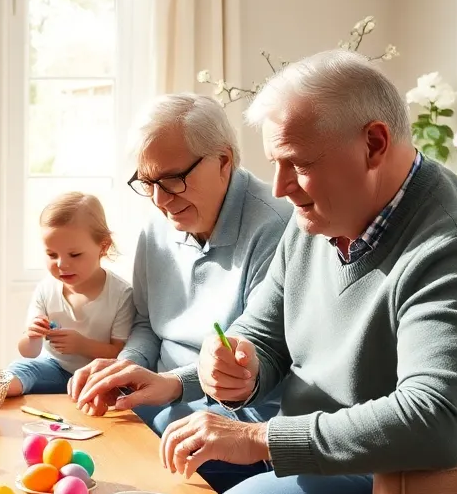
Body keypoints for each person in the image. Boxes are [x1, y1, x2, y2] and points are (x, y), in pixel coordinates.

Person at [77, 50, 457, 494]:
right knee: (146, 469)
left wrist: (258, 438)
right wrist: (240, 364)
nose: (279, 187)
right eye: (276, 164)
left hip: (421, 478)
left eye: (298, 164)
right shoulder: (318, 221)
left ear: (373, 145)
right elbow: (261, 333)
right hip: (331, 446)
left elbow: (435, 421)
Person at [69, 95, 291, 473]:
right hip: (165, 395)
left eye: (172, 180)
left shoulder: (276, 228)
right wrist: (126, 370)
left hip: (239, 414)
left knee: (135, 453)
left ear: (223, 161)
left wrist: (168, 383)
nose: (158, 199)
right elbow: (145, 321)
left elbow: (248, 358)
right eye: (147, 181)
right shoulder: (159, 227)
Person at [0, 192, 133, 396]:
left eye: (75, 254)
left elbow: (121, 353)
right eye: (52, 255)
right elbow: (29, 352)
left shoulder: (121, 294)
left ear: (103, 246)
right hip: (53, 369)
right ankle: (2, 382)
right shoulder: (46, 289)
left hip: (98, 375)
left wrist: (83, 345)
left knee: (119, 384)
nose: (62, 264)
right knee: (26, 368)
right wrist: (32, 336)